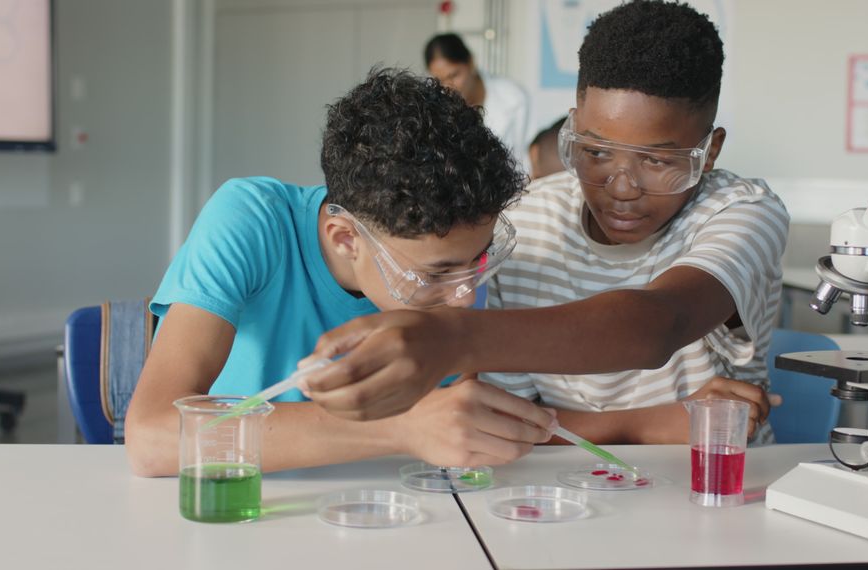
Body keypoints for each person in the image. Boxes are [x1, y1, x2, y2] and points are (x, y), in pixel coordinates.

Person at [300, 1, 790, 446]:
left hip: (708, 480)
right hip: (550, 489)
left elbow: (659, 323)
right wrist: (655, 422)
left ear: (710, 152)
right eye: (595, 152)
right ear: (572, 127)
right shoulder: (526, 217)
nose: (621, 186)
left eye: (658, 162)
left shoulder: (743, 212)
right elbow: (501, 420)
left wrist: (451, 338)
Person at [124, 69, 556, 477]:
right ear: (345, 238)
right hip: (246, 497)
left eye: (479, 260)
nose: (464, 296)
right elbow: (152, 436)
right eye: (435, 274)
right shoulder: (251, 220)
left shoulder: (455, 270)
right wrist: (399, 427)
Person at [425, 33, 531, 170]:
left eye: (454, 75)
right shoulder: (432, 109)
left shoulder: (514, 98)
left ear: (471, 63)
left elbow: (530, 161)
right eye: (439, 80)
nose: (448, 86)